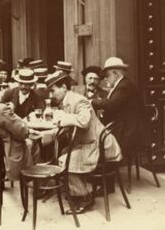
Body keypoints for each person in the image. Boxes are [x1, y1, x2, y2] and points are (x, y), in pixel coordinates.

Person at [41, 71, 122, 214]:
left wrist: (62, 117)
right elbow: (69, 125)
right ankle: (76, 190)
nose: (51, 95)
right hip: (88, 142)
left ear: (64, 88)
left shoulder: (79, 100)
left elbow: (83, 121)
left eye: (53, 90)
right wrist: (45, 133)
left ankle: (84, 198)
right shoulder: (66, 101)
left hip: (98, 145)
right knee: (64, 152)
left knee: (64, 160)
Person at [91, 57, 148, 159]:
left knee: (95, 143)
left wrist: (91, 101)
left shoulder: (123, 86)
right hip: (127, 129)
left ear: (116, 74)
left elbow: (111, 105)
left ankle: (104, 170)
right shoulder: (123, 84)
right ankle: (107, 171)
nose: (105, 79)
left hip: (130, 134)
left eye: (107, 75)